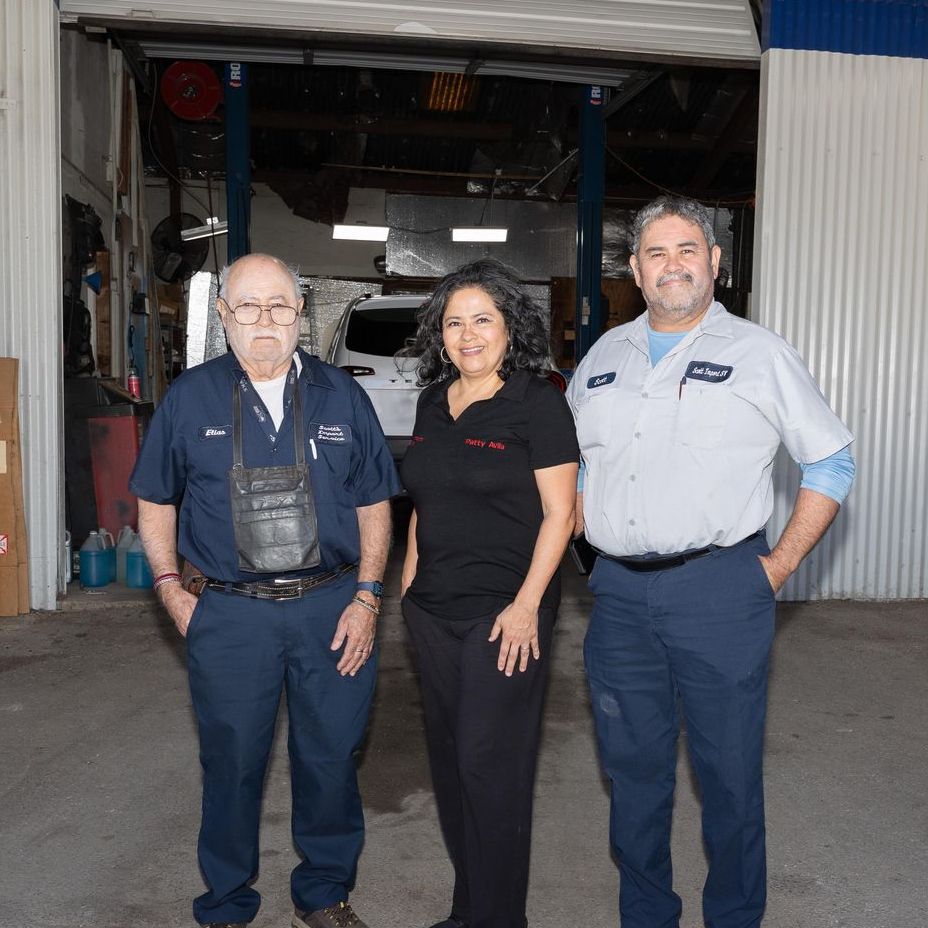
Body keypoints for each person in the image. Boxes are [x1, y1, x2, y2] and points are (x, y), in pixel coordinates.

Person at [566, 197, 855, 928]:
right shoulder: (604, 357)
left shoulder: (760, 353)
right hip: (620, 600)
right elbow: (567, 469)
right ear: (635, 269)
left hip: (722, 590)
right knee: (633, 778)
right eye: (657, 254)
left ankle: (733, 917)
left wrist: (777, 567)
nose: (673, 266)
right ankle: (647, 915)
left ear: (715, 262)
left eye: (688, 250)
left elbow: (831, 460)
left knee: (727, 779)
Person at [130, 253, 401, 928]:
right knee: (231, 763)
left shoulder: (344, 395)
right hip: (230, 614)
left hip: (332, 609)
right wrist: (169, 587)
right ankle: (225, 901)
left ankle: (325, 892)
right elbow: (154, 500)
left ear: (300, 315)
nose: (264, 320)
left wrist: (368, 597)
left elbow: (374, 503)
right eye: (247, 306)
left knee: (331, 757)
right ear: (224, 316)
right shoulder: (191, 398)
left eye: (279, 305)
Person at [399, 258, 579, 928]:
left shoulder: (537, 401)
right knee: (450, 768)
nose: (467, 334)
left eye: (482, 319)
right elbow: (421, 502)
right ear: (438, 334)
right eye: (453, 322)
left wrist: (529, 604)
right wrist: (408, 589)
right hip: (433, 612)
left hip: (504, 615)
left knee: (488, 770)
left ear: (510, 327)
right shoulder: (432, 402)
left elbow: (561, 514)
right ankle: (469, 909)